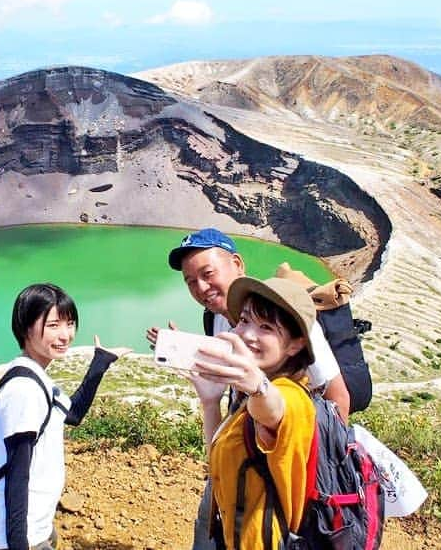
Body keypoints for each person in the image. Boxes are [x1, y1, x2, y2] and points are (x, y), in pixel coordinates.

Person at [145, 228, 349, 550]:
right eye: (190, 281)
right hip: (237, 474)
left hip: (273, 504)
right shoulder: (218, 320)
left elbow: (284, 407)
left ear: (237, 264)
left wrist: (318, 477)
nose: (200, 287)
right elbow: (225, 443)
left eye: (207, 273)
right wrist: (211, 401)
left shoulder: (293, 380)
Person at [0, 283, 129, 550]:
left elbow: (71, 414)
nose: (66, 335)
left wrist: (100, 363)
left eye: (70, 324)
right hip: (14, 530)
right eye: (53, 325)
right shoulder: (23, 390)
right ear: (26, 328)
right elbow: (17, 475)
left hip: (35, 522)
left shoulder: (35, 375)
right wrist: (18, 545)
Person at [194, 276, 320, 550]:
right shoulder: (247, 395)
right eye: (244, 321)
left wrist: (259, 387)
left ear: (295, 345)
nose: (248, 334)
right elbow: (220, 460)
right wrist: (211, 402)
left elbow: (275, 410)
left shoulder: (292, 397)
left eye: (266, 327)